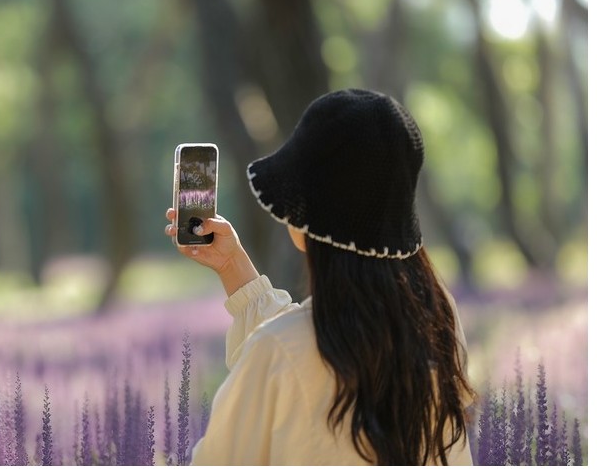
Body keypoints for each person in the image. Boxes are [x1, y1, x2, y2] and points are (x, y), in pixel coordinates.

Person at [164, 89, 475, 465]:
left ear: (311, 214)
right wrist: (234, 268)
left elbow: (293, 358)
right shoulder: (437, 323)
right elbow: (311, 354)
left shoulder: (278, 352)